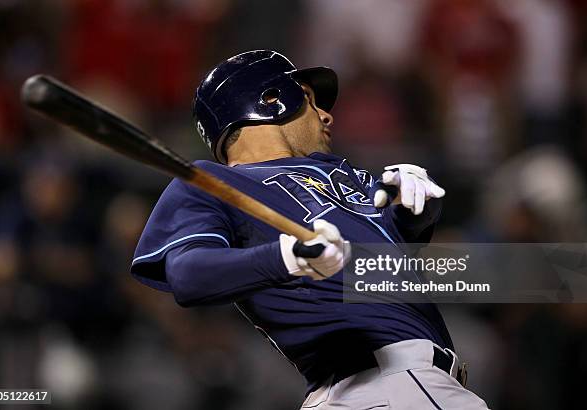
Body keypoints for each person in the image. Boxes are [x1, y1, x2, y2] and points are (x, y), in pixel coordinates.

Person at [131, 50, 489, 409]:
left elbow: (393, 263)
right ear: (273, 100)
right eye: (311, 101)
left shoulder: (352, 176)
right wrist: (288, 257)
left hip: (402, 388)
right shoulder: (217, 182)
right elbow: (188, 276)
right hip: (382, 385)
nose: (327, 115)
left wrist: (419, 206)